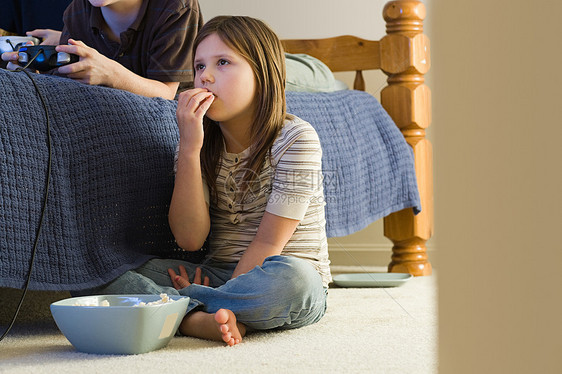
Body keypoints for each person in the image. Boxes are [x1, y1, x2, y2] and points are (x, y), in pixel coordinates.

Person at [73, 15, 332, 346]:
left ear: (262, 73)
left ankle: (184, 313)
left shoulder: (296, 138)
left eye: (223, 62)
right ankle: (204, 318)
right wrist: (191, 148)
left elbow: (269, 245)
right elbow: (190, 238)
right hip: (219, 273)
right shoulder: (198, 139)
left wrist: (205, 294)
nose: (204, 77)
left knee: (294, 282)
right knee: (89, 273)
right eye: (198, 66)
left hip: (277, 276)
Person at [2, 0, 203, 99]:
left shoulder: (176, 7)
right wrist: (29, 76)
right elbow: (68, 90)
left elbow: (166, 93)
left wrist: (110, 74)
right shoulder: (76, 11)